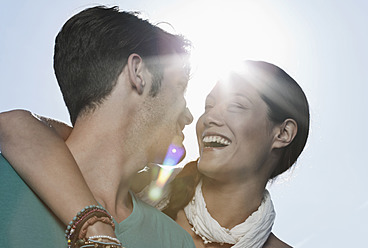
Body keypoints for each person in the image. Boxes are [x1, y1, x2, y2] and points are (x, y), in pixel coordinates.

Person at [0, 60, 309, 248]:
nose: (209, 118)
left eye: (237, 106)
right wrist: (96, 228)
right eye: (209, 106)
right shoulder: (145, 186)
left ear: (282, 134)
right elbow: (17, 125)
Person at [0, 5, 196, 248]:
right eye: (179, 85)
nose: (189, 115)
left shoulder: (175, 241)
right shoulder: (5, 185)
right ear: (139, 73)